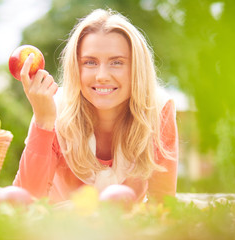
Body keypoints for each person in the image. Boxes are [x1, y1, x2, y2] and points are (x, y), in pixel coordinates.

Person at [13, 8, 178, 203]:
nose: (102, 76)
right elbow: (24, 203)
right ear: (76, 67)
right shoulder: (55, 108)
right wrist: (43, 121)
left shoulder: (158, 110)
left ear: (136, 68)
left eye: (117, 62)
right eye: (90, 62)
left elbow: (163, 205)